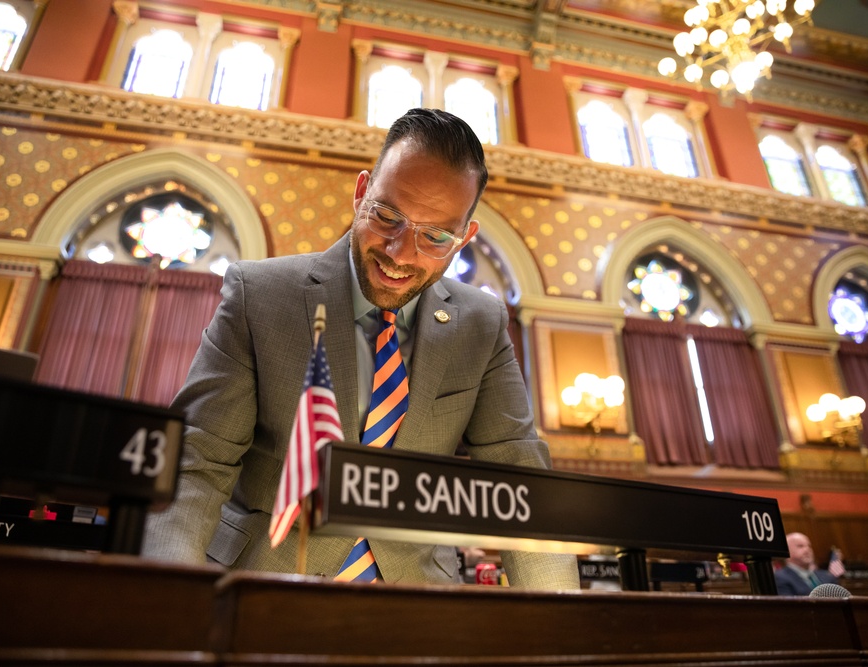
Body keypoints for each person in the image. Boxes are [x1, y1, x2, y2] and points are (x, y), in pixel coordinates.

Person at [141, 108, 579, 590]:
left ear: (462, 240)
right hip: (265, 587)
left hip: (416, 610)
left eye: (433, 236)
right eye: (387, 215)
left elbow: (519, 480)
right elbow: (198, 465)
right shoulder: (260, 295)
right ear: (360, 194)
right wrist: (173, 600)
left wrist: (557, 626)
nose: (399, 252)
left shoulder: (482, 323)